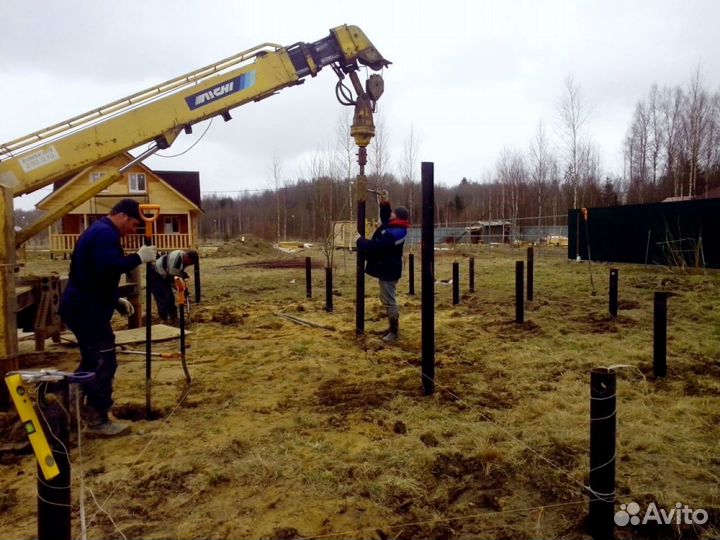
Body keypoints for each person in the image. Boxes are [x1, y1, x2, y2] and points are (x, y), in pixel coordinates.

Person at [60, 199, 158, 437]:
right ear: (123, 216)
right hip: (87, 310)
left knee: (92, 360)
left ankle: (66, 405)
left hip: (83, 306)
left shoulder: (99, 230)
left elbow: (94, 275)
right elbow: (108, 267)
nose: (133, 230)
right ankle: (96, 420)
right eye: (134, 224)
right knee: (104, 361)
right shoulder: (105, 234)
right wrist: (138, 258)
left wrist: (114, 300)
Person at [356, 191, 410, 342]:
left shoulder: (396, 233)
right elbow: (386, 218)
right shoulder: (396, 225)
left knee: (389, 300)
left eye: (393, 213)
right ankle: (391, 328)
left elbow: (377, 247)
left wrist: (359, 241)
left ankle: (394, 332)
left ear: (397, 217)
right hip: (387, 268)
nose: (390, 214)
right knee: (385, 298)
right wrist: (385, 202)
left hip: (389, 271)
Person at [150, 249, 199, 321]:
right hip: (156, 275)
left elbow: (176, 273)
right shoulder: (177, 263)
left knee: (170, 298)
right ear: (187, 257)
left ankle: (173, 318)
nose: (188, 265)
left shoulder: (181, 253)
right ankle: (164, 320)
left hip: (164, 275)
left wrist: (182, 274)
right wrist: (183, 290)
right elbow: (173, 281)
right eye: (189, 263)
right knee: (163, 298)